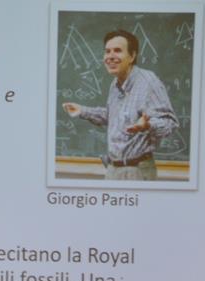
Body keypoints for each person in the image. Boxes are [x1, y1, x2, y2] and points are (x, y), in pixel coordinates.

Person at [62, 29, 177, 181]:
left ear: (132, 56)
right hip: (113, 169)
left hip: (136, 171)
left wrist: (147, 126)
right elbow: (113, 116)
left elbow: (170, 123)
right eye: (107, 51)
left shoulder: (148, 82)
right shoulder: (115, 84)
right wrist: (82, 111)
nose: (110, 56)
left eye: (117, 51)